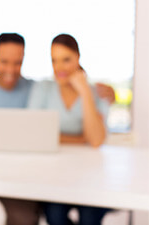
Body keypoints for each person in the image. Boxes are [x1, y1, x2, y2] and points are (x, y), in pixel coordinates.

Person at [0, 33, 115, 225]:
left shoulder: (33, 87)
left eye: (17, 63)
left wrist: (95, 91)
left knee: (30, 217)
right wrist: (81, 139)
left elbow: (46, 130)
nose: (11, 70)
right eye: (5, 61)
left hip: (29, 174)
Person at [27, 33, 110, 224]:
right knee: (55, 214)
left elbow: (96, 140)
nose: (59, 68)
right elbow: (35, 132)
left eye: (66, 60)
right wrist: (81, 139)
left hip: (90, 174)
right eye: (54, 60)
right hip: (55, 174)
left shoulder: (95, 92)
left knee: (90, 215)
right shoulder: (43, 89)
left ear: (78, 58)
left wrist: (85, 92)